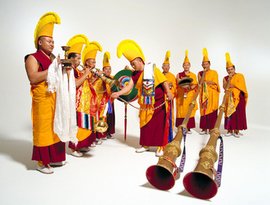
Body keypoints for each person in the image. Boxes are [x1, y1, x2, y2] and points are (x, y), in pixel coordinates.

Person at [111, 39, 173, 157]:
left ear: (140, 60)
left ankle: (161, 146)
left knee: (159, 126)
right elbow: (129, 86)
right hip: (145, 104)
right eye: (131, 64)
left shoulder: (152, 68)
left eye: (133, 63)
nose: (132, 66)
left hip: (158, 102)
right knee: (145, 126)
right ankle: (145, 145)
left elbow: (164, 81)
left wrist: (169, 92)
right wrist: (118, 93)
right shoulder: (134, 74)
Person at [24, 12, 65, 174]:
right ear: (39, 42)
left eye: (53, 41)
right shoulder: (32, 58)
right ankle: (42, 162)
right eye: (49, 41)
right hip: (42, 100)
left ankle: (54, 158)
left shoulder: (53, 58)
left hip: (55, 99)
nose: (52, 44)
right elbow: (33, 78)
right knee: (43, 130)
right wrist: (52, 69)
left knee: (55, 128)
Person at [65, 34, 92, 157]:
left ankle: (82, 145)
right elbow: (75, 84)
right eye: (78, 58)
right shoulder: (69, 69)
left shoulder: (78, 70)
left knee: (83, 124)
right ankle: (74, 148)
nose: (79, 61)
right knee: (75, 124)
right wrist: (86, 74)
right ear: (71, 59)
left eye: (80, 58)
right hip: (74, 102)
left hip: (83, 103)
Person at [81, 41, 104, 146]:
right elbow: (86, 84)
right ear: (86, 62)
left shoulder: (93, 71)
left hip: (93, 99)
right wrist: (93, 76)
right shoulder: (83, 71)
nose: (94, 64)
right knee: (86, 120)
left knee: (93, 118)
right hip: (84, 100)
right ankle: (85, 141)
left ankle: (92, 139)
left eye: (95, 62)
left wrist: (97, 77)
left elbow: (92, 83)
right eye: (92, 61)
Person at [223, 52, 248, 137]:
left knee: (238, 113)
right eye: (228, 70)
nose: (230, 71)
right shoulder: (225, 78)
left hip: (239, 97)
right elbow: (225, 87)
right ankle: (230, 130)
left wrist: (233, 85)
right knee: (230, 113)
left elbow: (242, 86)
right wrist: (229, 80)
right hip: (229, 98)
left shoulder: (240, 76)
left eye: (231, 69)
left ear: (234, 69)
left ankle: (237, 130)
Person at [175, 50, 198, 134]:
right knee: (181, 111)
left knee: (189, 110)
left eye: (187, 65)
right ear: (183, 66)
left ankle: (188, 128)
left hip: (189, 95)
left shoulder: (193, 75)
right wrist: (182, 85)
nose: (186, 66)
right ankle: (180, 127)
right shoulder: (179, 74)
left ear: (190, 66)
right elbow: (177, 83)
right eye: (185, 65)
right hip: (181, 95)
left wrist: (189, 87)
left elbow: (195, 84)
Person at [198, 48, 220, 134]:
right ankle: (204, 128)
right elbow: (200, 82)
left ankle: (211, 128)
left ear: (209, 64)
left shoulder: (214, 72)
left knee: (212, 111)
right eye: (203, 64)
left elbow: (215, 83)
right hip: (204, 94)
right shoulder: (200, 73)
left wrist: (206, 82)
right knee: (204, 109)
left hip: (212, 95)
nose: (205, 65)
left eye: (206, 63)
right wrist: (204, 74)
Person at [161, 50, 176, 141]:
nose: (166, 68)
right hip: (161, 99)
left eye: (167, 66)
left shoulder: (172, 76)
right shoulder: (159, 75)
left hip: (168, 100)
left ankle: (169, 137)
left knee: (168, 118)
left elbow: (175, 87)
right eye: (164, 66)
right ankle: (161, 136)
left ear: (169, 67)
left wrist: (171, 90)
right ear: (162, 67)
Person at [102, 51, 115, 139]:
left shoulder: (113, 78)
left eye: (109, 69)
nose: (108, 70)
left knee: (110, 117)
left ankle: (109, 132)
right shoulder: (101, 78)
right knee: (104, 116)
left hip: (111, 101)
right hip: (103, 101)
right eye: (106, 69)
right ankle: (103, 133)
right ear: (103, 70)